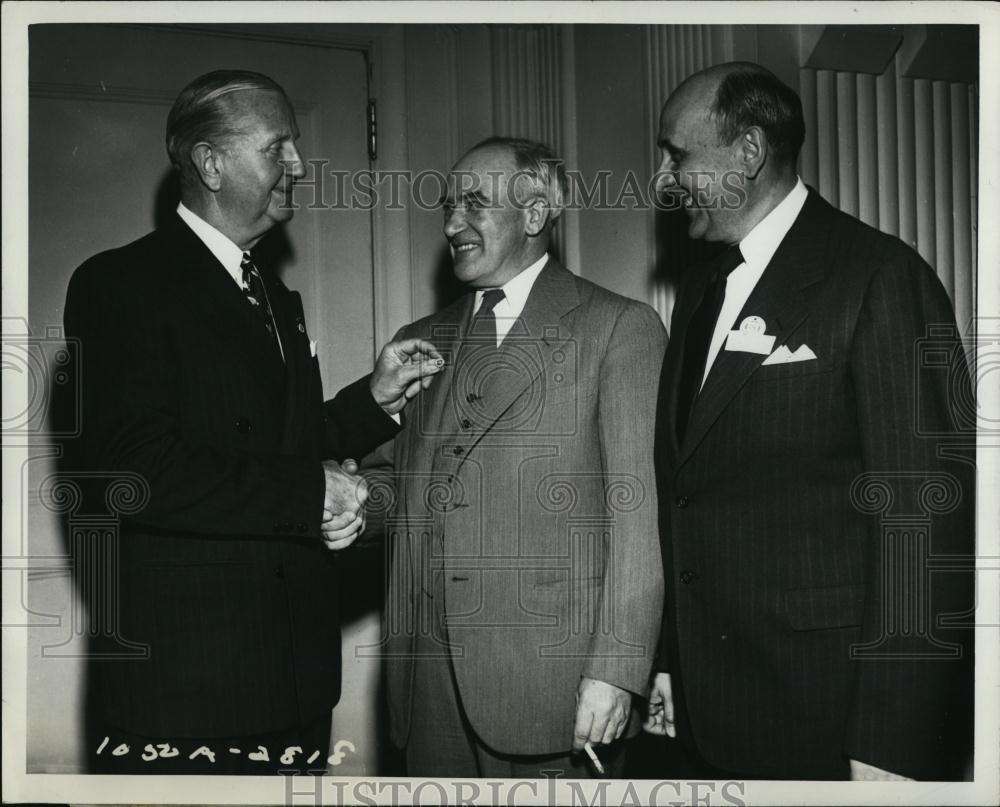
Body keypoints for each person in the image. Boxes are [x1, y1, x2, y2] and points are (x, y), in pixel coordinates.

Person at [64, 69, 442, 774]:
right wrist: (312, 492)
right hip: (191, 690)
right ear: (211, 163)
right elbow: (137, 469)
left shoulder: (271, 293)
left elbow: (279, 447)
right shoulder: (119, 285)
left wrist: (374, 399)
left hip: (294, 679)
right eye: (277, 148)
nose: (299, 165)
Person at [644, 62, 974, 780]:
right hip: (710, 713)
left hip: (829, 718)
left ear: (748, 151)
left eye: (676, 155)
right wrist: (672, 663)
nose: (663, 180)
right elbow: (689, 494)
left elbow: (924, 521)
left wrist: (891, 742)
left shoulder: (879, 276)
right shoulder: (701, 290)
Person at [367, 137, 666, 778]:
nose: (452, 224)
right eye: (448, 206)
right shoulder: (416, 342)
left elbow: (639, 521)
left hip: (553, 688)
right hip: (427, 688)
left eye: (474, 204)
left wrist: (617, 672)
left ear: (534, 213)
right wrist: (346, 502)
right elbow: (396, 486)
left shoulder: (618, 327)